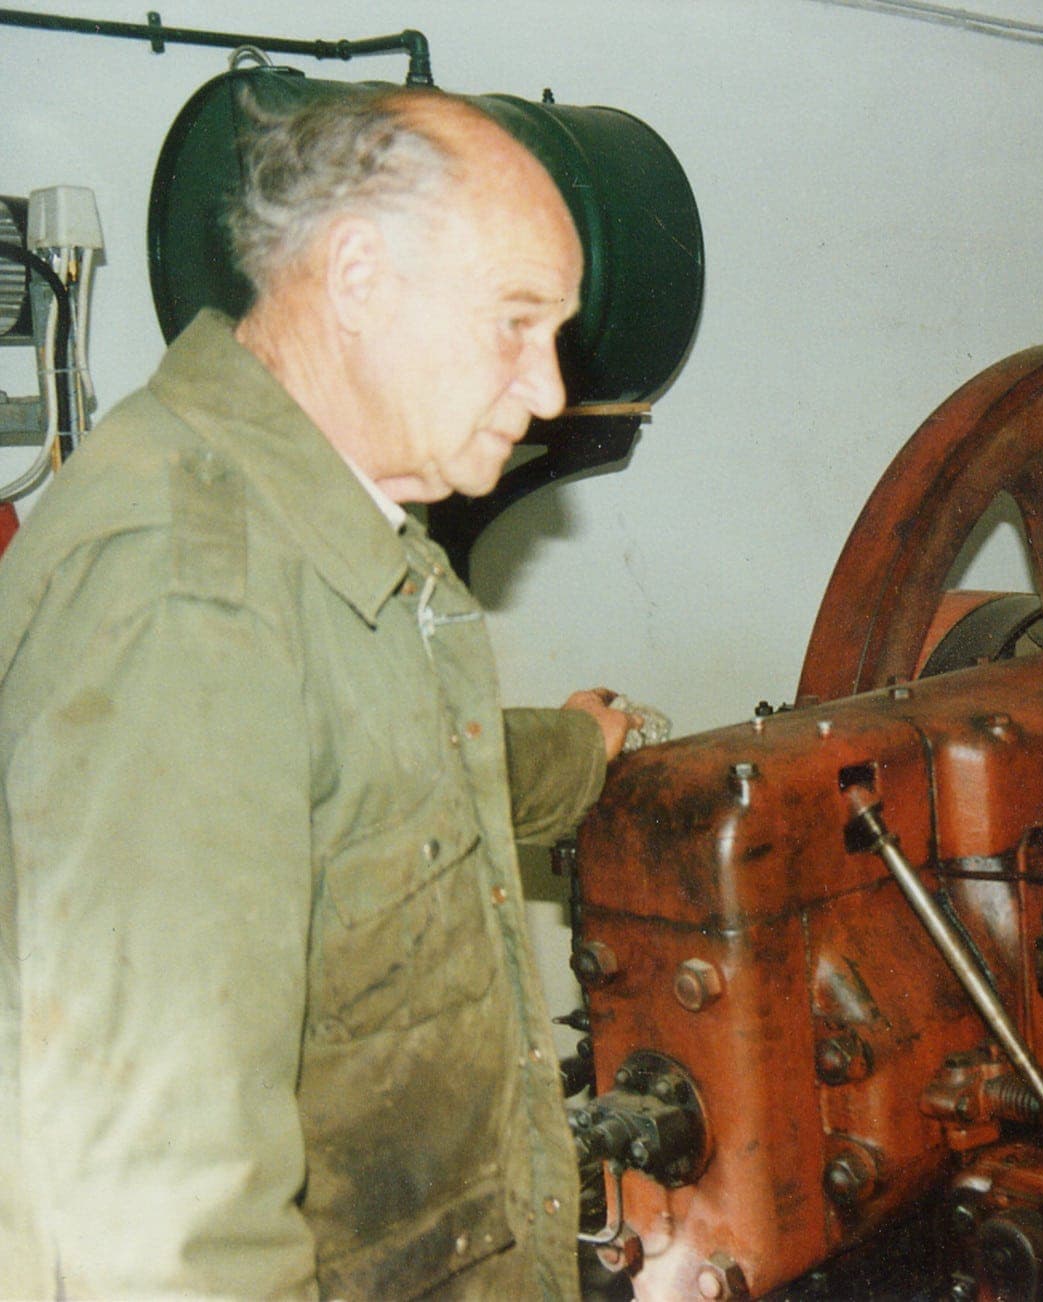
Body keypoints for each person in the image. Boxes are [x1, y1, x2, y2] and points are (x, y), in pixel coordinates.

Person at [0, 87, 639, 1298]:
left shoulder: (328, 539)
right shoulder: (188, 589)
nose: (551, 391)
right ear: (357, 273)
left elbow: (388, 772)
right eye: (518, 321)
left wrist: (580, 750)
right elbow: (152, 1217)